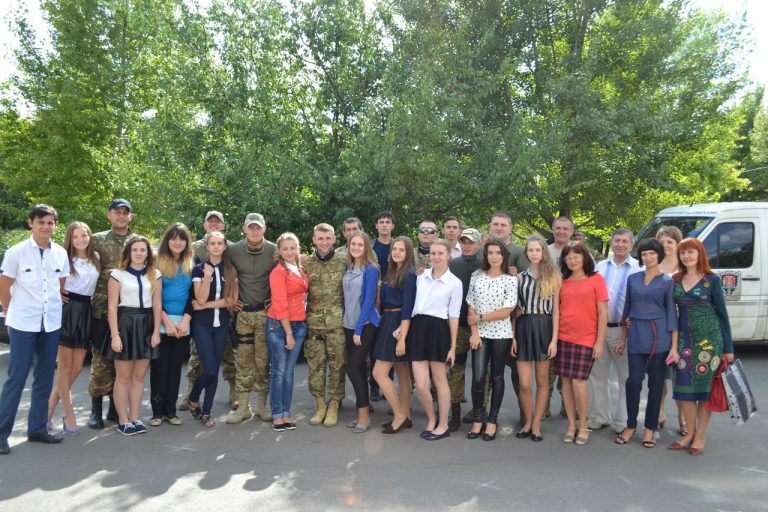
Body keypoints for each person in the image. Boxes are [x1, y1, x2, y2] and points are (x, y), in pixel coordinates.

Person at [0, 204, 70, 454]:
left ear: (55, 225)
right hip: (23, 323)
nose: (46, 227)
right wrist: (10, 313)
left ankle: (37, 429)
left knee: (44, 377)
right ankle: (1, 434)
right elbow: (4, 286)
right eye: (41, 222)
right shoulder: (16, 252)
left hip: (50, 323)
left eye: (50, 222)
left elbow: (61, 286)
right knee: (17, 378)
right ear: (31, 223)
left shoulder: (60, 253)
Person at [668, 238, 734, 456]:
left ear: (699, 254)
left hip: (710, 343)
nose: (686, 256)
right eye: (683, 252)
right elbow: (669, 313)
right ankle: (689, 433)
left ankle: (699, 436)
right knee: (685, 391)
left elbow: (722, 314)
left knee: (704, 391)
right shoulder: (676, 280)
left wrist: (728, 348)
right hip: (684, 342)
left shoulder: (711, 280)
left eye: (691, 252)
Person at [616, 239, 679, 448]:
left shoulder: (668, 281)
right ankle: (630, 425)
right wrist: (623, 339)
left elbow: (672, 315)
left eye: (652, 253)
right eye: (644, 254)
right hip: (636, 335)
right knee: (633, 381)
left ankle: (650, 428)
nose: (648, 257)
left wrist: (673, 347)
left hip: (659, 337)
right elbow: (627, 310)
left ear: (659, 255)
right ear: (640, 257)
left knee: (656, 383)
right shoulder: (633, 279)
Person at [104, 236, 162, 436]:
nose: (138, 253)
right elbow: (112, 307)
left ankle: (135, 418)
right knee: (123, 377)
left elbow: (157, 304)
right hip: (126, 324)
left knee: (139, 376)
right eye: (134, 249)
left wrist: (156, 332)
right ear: (128, 252)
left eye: (142, 250)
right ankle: (123, 421)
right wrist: (115, 335)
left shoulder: (155, 274)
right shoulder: (117, 275)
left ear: (148, 253)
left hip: (146, 325)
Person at [181, 210, 237, 410]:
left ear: (223, 225)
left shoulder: (232, 249)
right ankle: (191, 395)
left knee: (229, 357)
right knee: (197, 357)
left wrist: (235, 300)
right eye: (210, 222)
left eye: (217, 222)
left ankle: (233, 393)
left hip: (223, 313)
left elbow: (236, 279)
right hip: (199, 310)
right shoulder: (194, 248)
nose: (214, 225)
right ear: (204, 225)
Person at [47, 222, 100, 435]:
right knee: (65, 367)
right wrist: (56, 293)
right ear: (70, 239)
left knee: (77, 367)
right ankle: (69, 414)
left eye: (84, 235)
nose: (80, 239)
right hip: (67, 310)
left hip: (86, 311)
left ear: (89, 236)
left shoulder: (97, 257)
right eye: (75, 236)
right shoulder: (63, 258)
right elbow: (50, 281)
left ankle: (48, 409)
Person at [408, 240, 462, 441]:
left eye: (440, 253)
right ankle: (431, 419)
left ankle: (443, 424)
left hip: (439, 331)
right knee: (421, 385)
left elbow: (454, 316)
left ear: (448, 255)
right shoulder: (420, 277)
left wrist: (453, 346)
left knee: (440, 381)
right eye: (433, 253)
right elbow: (412, 306)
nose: (436, 257)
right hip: (418, 329)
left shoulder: (455, 283)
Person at [88, 198, 134, 430]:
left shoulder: (137, 242)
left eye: (125, 213)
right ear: (109, 215)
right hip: (101, 310)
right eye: (117, 212)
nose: (121, 216)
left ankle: (115, 410)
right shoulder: (95, 240)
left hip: (128, 311)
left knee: (122, 362)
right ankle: (95, 410)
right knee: (101, 361)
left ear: (130, 216)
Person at [555, 243, 608, 446]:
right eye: (568, 258)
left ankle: (583, 425)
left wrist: (599, 342)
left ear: (584, 257)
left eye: (576, 256)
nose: (572, 261)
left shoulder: (596, 279)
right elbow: (557, 311)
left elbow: (603, 312)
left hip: (586, 339)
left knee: (579, 382)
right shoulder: (562, 281)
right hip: (563, 337)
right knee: (566, 382)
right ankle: (571, 425)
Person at [226, 213, 277, 424]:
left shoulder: (274, 250)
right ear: (244, 229)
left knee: (263, 362)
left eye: (258, 227)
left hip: (265, 315)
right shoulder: (233, 250)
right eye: (251, 227)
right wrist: (230, 299)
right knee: (243, 361)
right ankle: (244, 407)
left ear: (264, 229)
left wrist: (276, 299)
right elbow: (224, 274)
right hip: (243, 315)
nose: (255, 231)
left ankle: (262, 406)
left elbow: (285, 274)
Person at [465, 240, 518, 441]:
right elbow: (471, 304)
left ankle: (493, 421)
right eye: (490, 252)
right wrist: (474, 332)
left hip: (501, 334)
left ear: (504, 256)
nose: (494, 256)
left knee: (497, 377)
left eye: (498, 252)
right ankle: (478, 419)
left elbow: (506, 311)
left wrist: (479, 318)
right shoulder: (476, 276)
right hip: (480, 334)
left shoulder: (510, 280)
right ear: (485, 255)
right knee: (478, 377)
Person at [590, 228, 640, 433]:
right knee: (598, 377)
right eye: (617, 240)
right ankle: (599, 417)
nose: (620, 244)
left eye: (624, 241)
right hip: (600, 330)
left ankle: (622, 420)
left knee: (625, 378)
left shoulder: (638, 268)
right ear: (611, 243)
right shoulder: (600, 267)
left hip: (624, 332)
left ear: (631, 245)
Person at [513, 235, 560, 442]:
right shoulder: (519, 278)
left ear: (543, 252)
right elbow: (515, 310)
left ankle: (537, 424)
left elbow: (556, 311)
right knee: (524, 383)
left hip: (544, 327)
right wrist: (513, 337)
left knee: (542, 381)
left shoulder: (553, 277)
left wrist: (554, 341)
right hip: (524, 327)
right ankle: (528, 421)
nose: (534, 253)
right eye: (530, 250)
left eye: (537, 250)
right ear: (526, 253)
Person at [148, 223, 194, 427]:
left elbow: (194, 296)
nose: (177, 242)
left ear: (187, 242)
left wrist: (185, 320)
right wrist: (165, 321)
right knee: (159, 368)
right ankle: (157, 412)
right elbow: (152, 294)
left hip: (183, 324)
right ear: (167, 240)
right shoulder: (156, 261)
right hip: (160, 320)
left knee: (175, 368)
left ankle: (171, 411)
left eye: (181, 239)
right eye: (173, 238)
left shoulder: (192, 263)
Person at [303, 223, 347, 427]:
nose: (324, 242)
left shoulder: (344, 261)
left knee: (338, 366)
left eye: (328, 238)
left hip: (337, 323)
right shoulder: (305, 263)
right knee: (316, 367)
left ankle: (334, 405)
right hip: (314, 324)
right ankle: (320, 405)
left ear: (334, 239)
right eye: (320, 238)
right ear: (314, 240)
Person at [372, 236, 417, 434]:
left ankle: (399, 415)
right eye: (394, 249)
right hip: (388, 321)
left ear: (408, 253)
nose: (397, 252)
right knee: (402, 372)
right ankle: (406, 416)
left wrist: (403, 337)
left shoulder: (409, 274)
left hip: (398, 324)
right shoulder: (392, 273)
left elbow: (408, 309)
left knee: (379, 373)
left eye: (401, 250)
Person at [266, 233, 309, 432]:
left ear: (297, 249)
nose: (289, 252)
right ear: (279, 251)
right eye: (285, 248)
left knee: (289, 373)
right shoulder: (278, 272)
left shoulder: (299, 268)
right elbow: (280, 303)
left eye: (293, 248)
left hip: (298, 324)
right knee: (279, 372)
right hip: (280, 325)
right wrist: (289, 333)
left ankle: (286, 413)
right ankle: (277, 415)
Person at [342, 231, 381, 433]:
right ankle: (362, 412)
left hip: (365, 325)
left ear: (366, 248)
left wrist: (358, 329)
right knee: (355, 370)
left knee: (353, 368)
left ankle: (364, 417)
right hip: (348, 324)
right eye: (353, 244)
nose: (356, 248)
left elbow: (368, 301)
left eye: (360, 244)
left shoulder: (371, 269)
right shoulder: (348, 268)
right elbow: (346, 298)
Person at [447, 228, 482, 429]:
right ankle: (455, 412)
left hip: (480, 327)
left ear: (478, 243)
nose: (467, 245)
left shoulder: (485, 265)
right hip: (458, 326)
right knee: (456, 369)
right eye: (464, 242)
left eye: (471, 242)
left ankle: (479, 411)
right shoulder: (452, 265)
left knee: (481, 371)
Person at [656, 225, 685, 434]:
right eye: (662, 242)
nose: (666, 245)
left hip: (683, 328)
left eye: (670, 242)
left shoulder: (685, 267)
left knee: (680, 377)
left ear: (677, 243)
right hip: (659, 328)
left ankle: (683, 417)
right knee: (659, 374)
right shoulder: (653, 265)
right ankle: (659, 412)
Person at [373, 210, 395, 280]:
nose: (384, 225)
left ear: (393, 226)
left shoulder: (399, 246)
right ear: (376, 225)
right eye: (381, 222)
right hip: (374, 283)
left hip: (394, 283)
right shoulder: (369, 245)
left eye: (388, 222)